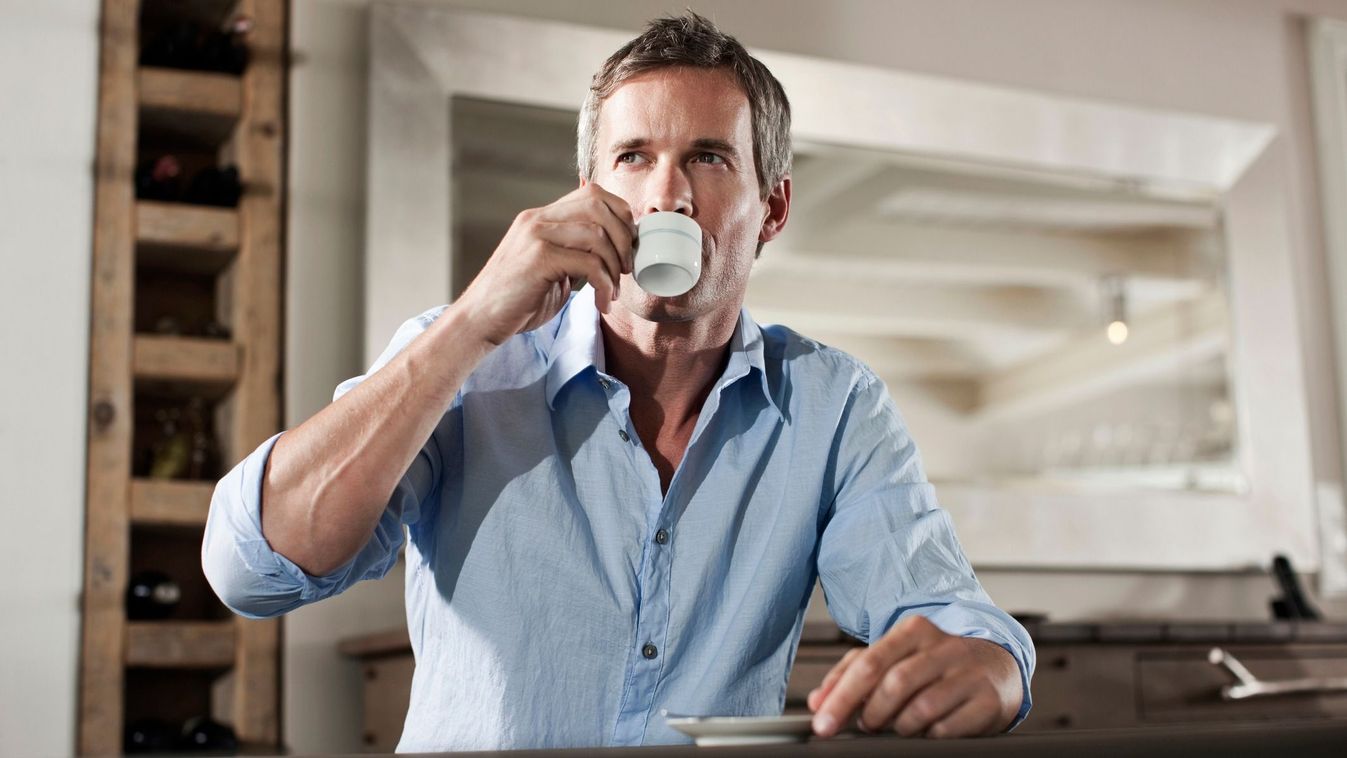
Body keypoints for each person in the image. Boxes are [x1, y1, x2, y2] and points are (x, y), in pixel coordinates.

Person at [202, 11, 1034, 751]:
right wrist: (470, 324)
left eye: (706, 157)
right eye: (632, 157)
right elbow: (254, 571)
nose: (664, 193)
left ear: (771, 210)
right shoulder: (462, 357)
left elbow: (954, 620)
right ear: (588, 193)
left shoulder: (833, 405)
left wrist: (986, 669)